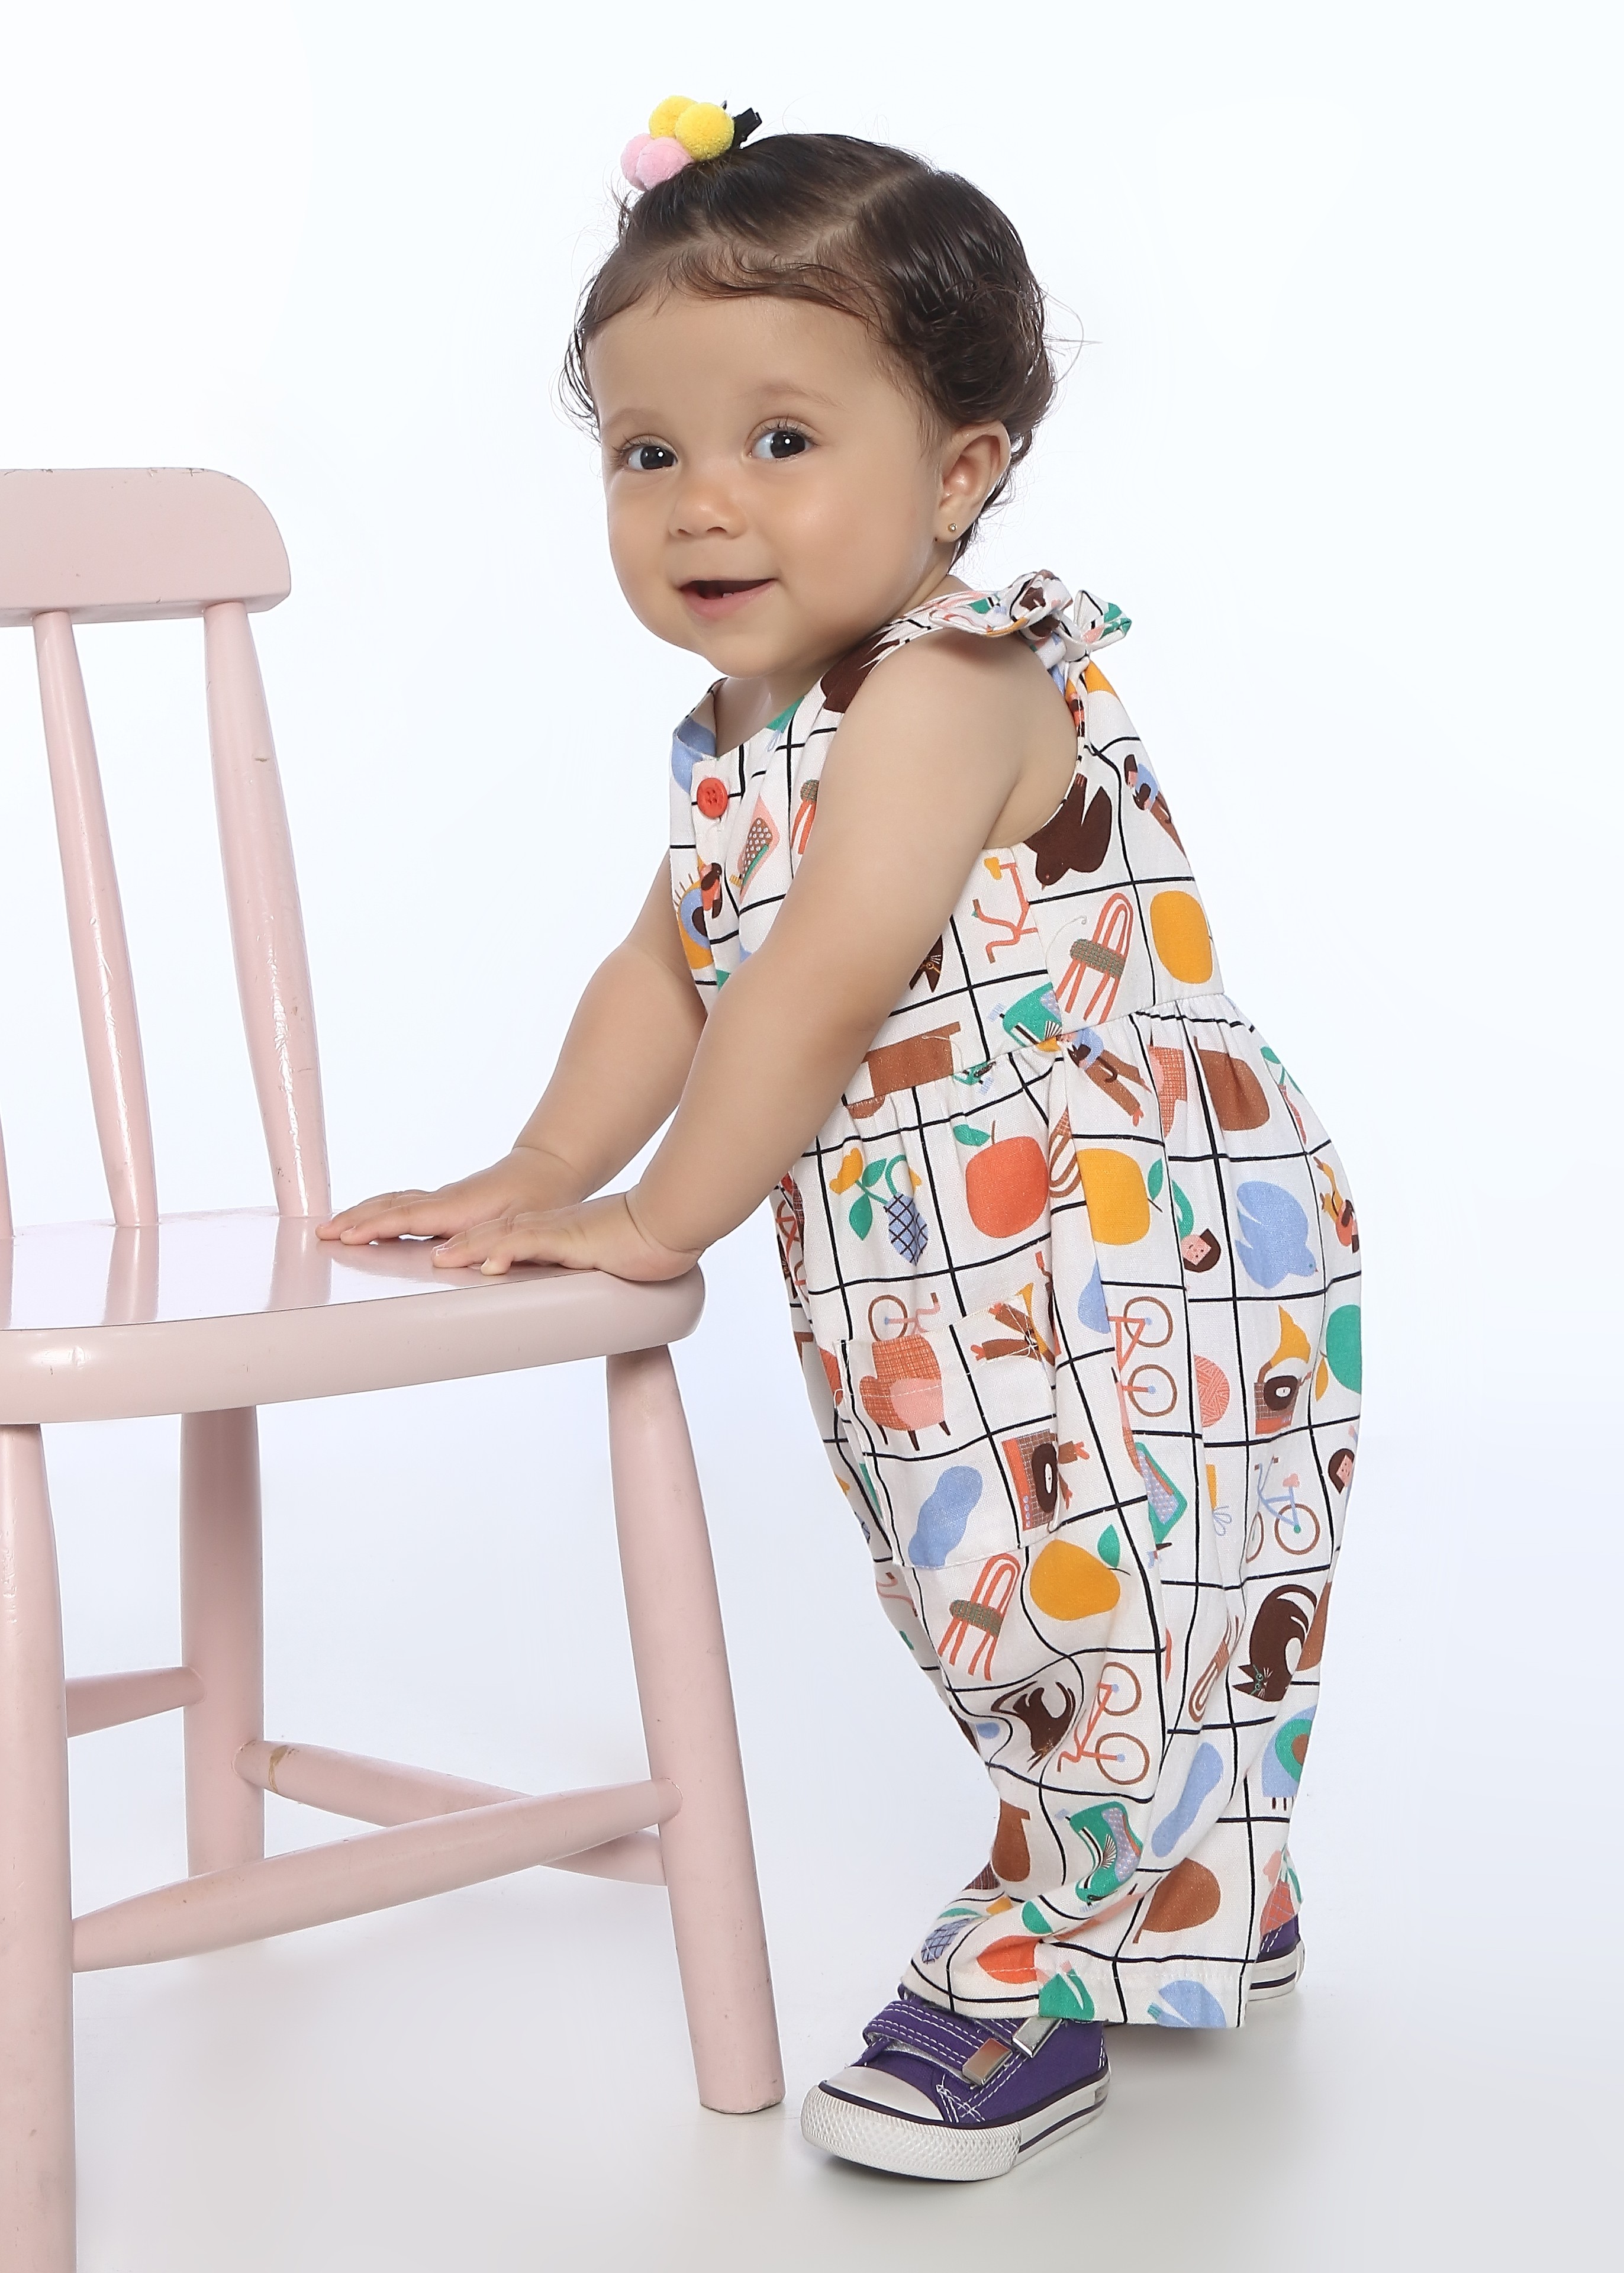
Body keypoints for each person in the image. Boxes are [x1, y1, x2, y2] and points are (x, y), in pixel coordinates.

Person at [320, 106, 1362, 2185]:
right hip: (932, 1253)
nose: (704, 501)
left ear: (961, 471)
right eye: (647, 453)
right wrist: (541, 1166)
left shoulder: (954, 681)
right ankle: (1194, 1890)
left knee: (1088, 1608)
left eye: (783, 440)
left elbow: (813, 979)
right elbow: (673, 967)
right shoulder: (740, 736)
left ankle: (1032, 1978)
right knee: (987, 1591)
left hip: (1119, 1237)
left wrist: (658, 1219)